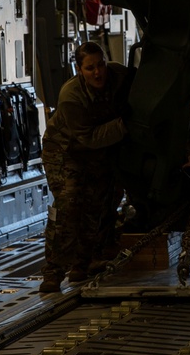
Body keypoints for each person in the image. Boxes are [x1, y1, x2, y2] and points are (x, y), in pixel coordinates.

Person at [40, 41, 130, 293]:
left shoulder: (119, 75)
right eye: (90, 68)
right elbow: (88, 137)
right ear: (79, 70)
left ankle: (83, 264)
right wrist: (124, 126)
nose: (98, 72)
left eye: (100, 64)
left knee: (100, 202)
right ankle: (53, 272)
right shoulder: (71, 96)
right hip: (65, 150)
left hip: (98, 151)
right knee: (69, 204)